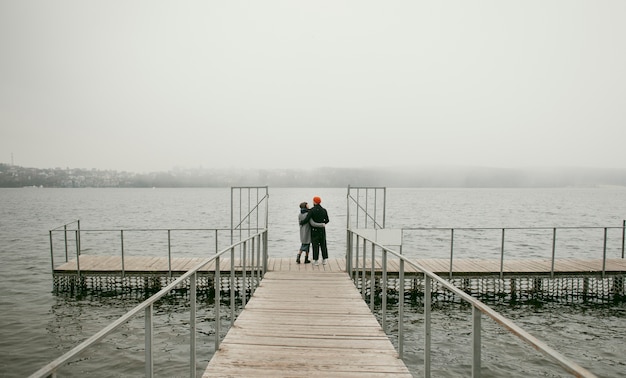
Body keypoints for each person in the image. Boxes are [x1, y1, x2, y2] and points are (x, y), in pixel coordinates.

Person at [299, 196, 329, 265]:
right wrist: (323, 223)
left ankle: (316, 260)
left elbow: (307, 219)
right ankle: (324, 259)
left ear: (314, 202)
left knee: (315, 245)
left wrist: (301, 222)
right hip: (322, 230)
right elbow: (327, 220)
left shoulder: (311, 210)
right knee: (323, 244)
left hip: (314, 230)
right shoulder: (324, 210)